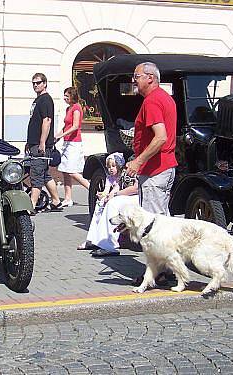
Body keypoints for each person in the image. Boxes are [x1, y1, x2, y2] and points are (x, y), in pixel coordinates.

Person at [126, 61, 178, 285]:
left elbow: (160, 137)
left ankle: (158, 274)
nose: (134, 81)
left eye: (136, 76)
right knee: (162, 223)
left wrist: (138, 161)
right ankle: (166, 269)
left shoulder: (153, 101)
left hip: (156, 170)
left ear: (150, 77)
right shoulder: (164, 98)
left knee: (152, 227)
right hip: (164, 168)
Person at [78, 153, 138, 257]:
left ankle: (109, 245)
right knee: (101, 203)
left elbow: (136, 188)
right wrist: (108, 195)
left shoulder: (137, 171)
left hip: (136, 196)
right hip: (125, 195)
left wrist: (115, 195)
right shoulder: (124, 172)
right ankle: (93, 239)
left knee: (112, 204)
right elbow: (119, 185)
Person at [26, 72, 63, 212]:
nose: (35, 85)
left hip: (40, 144)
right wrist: (29, 142)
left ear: (45, 83)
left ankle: (31, 206)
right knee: (45, 174)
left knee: (36, 174)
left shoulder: (46, 100)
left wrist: (42, 142)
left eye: (38, 82)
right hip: (34, 143)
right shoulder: (38, 100)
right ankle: (56, 201)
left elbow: (47, 121)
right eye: (33, 83)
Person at [55, 87, 89, 206]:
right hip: (67, 142)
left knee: (72, 171)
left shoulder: (76, 108)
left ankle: (93, 189)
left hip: (74, 143)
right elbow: (66, 126)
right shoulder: (68, 109)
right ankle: (68, 198)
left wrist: (62, 134)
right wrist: (58, 136)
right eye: (64, 95)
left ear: (72, 96)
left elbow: (75, 126)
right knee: (65, 170)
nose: (64, 98)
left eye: (67, 96)